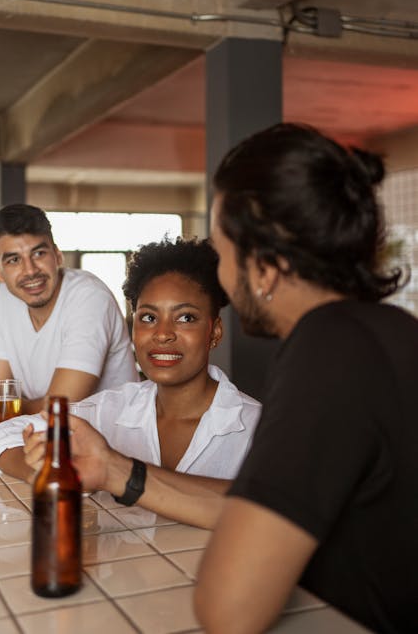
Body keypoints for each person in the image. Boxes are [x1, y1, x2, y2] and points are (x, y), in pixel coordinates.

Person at [66, 124, 418, 634]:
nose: (223, 273)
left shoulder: (327, 354)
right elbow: (273, 505)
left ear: (266, 265)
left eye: (224, 249)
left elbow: (228, 609)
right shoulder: (386, 331)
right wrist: (118, 471)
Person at [0, 237, 262, 485]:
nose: (163, 334)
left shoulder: (256, 428)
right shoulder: (109, 410)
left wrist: (114, 472)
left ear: (214, 332)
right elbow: (4, 434)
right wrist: (51, 474)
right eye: (149, 318)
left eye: (186, 317)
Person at [0, 203, 138, 441]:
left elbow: (60, 405)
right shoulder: (5, 298)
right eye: (13, 260)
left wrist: (6, 412)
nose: (30, 271)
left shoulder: (89, 297)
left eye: (39, 253)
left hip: (115, 446)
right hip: (46, 439)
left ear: (57, 255)